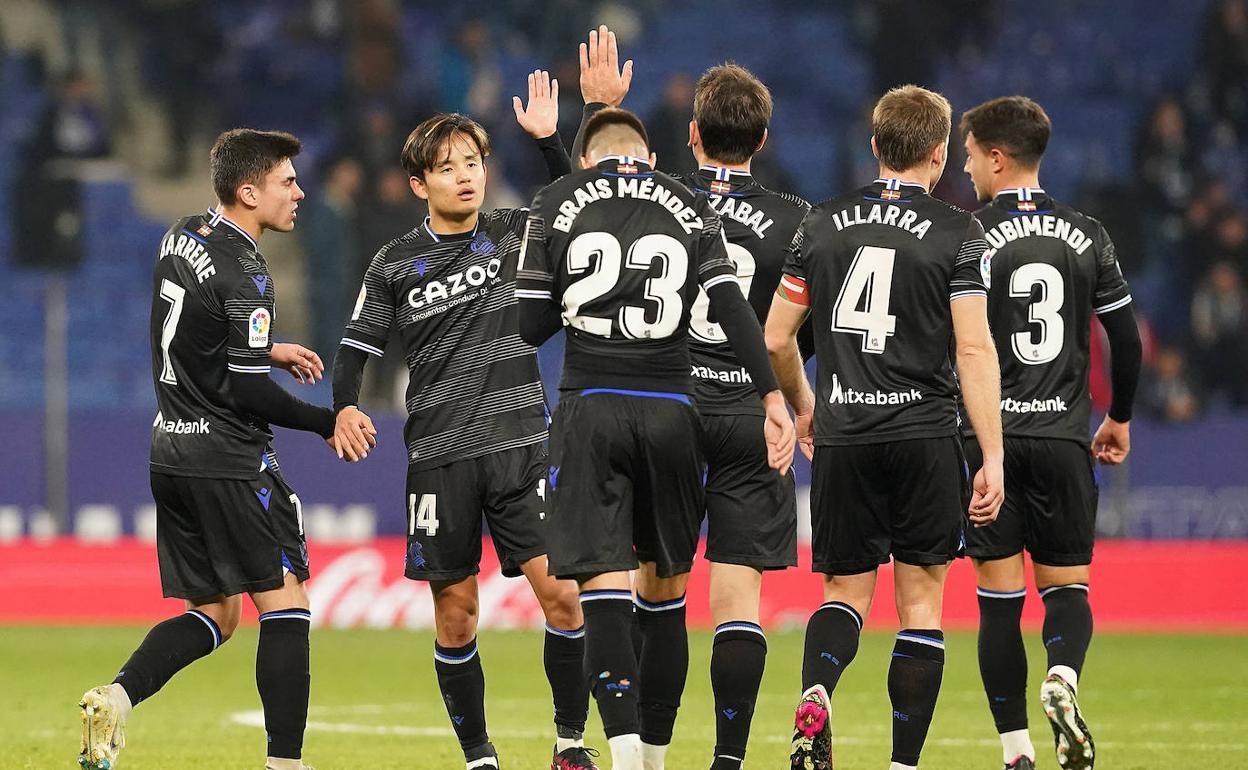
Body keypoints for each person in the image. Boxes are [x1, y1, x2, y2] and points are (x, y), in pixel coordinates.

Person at [331, 72, 598, 770]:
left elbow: (576, 206)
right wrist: (345, 405)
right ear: (420, 184)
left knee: (564, 598)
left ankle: (570, 744)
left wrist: (548, 142)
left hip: (521, 448)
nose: (464, 177)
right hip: (441, 458)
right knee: (457, 615)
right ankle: (480, 756)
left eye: (473, 163)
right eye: (447, 168)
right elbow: (355, 348)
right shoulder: (395, 263)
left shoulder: (515, 233)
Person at [515, 106, 794, 770]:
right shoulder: (689, 200)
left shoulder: (555, 199)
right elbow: (731, 307)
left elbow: (530, 326)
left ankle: (628, 755)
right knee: (666, 592)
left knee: (605, 588)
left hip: (591, 404)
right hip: (674, 409)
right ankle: (665, 758)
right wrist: (772, 395)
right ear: (645, 152)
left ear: (589, 158)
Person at [574, 38, 811, 769]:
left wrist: (602, 108)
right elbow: (782, 338)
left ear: (692, 134)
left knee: (659, 592)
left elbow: (594, 201)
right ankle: (729, 762)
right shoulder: (796, 218)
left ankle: (648, 755)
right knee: (738, 600)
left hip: (666, 407)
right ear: (762, 140)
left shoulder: (662, 199)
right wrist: (798, 405)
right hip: (750, 414)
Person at [78, 129, 341, 770]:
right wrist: (326, 421)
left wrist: (264, 345)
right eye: (286, 181)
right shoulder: (247, 271)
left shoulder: (183, 233)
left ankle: (117, 696)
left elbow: (198, 324)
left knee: (217, 614)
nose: (299, 193)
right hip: (230, 458)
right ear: (248, 192)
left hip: (170, 450)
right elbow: (250, 393)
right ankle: (286, 764)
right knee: (286, 606)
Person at [765, 85, 1006, 770]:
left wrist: (806, 404)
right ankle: (902, 764)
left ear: (874, 147)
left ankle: (818, 687)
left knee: (843, 594)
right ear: (939, 155)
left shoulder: (821, 224)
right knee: (921, 602)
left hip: (844, 432)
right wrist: (991, 453)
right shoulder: (961, 232)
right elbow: (974, 350)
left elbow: (778, 339)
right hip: (926, 434)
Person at [961, 95, 1143, 770]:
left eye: (973, 153)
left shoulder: (969, 233)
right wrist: (1118, 415)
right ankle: (1062, 676)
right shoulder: (1088, 233)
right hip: (1066, 439)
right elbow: (1124, 337)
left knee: (999, 604)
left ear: (998, 157)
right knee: (1067, 591)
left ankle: (1016, 754)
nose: (967, 164)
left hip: (991, 448)